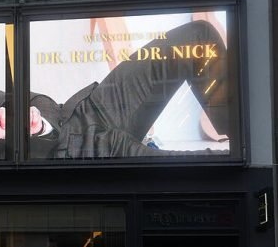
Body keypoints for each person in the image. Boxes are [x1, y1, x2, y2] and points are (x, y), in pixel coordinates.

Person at [29, 20, 229, 158]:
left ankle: (242, 137)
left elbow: (30, 100)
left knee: (200, 37)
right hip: (78, 156)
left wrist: (41, 123)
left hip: (84, 113)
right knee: (219, 164)